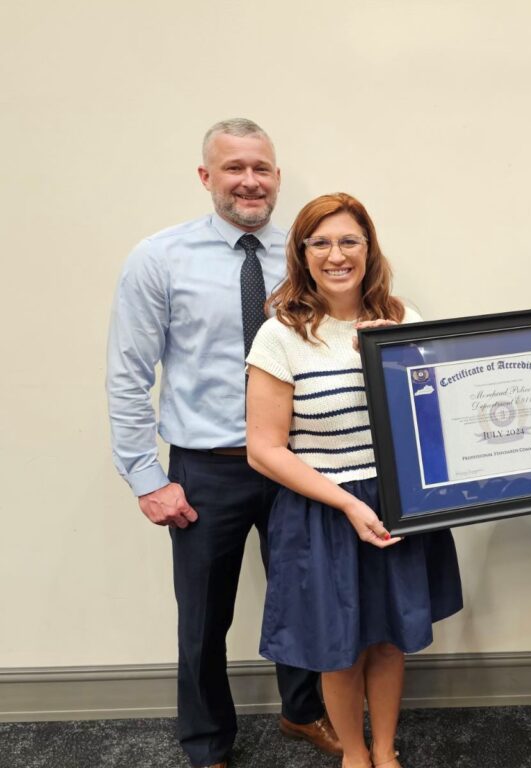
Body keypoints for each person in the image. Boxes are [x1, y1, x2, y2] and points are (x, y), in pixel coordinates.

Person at [106, 119, 341, 768]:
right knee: (205, 619)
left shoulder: (308, 253)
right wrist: (146, 477)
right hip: (208, 470)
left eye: (261, 168)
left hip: (297, 460)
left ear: (277, 176)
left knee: (303, 595)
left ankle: (303, 712)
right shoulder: (159, 258)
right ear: (206, 177)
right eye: (234, 168)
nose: (249, 180)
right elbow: (128, 372)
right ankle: (207, 742)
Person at [244, 192, 463, 768]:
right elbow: (264, 450)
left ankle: (386, 752)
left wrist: (384, 359)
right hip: (324, 507)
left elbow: (434, 424)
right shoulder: (280, 334)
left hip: (395, 501)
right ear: (302, 252)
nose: (336, 255)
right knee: (338, 649)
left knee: (388, 638)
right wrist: (346, 503)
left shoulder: (400, 318)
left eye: (349, 241)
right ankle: (355, 756)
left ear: (369, 249)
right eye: (321, 242)